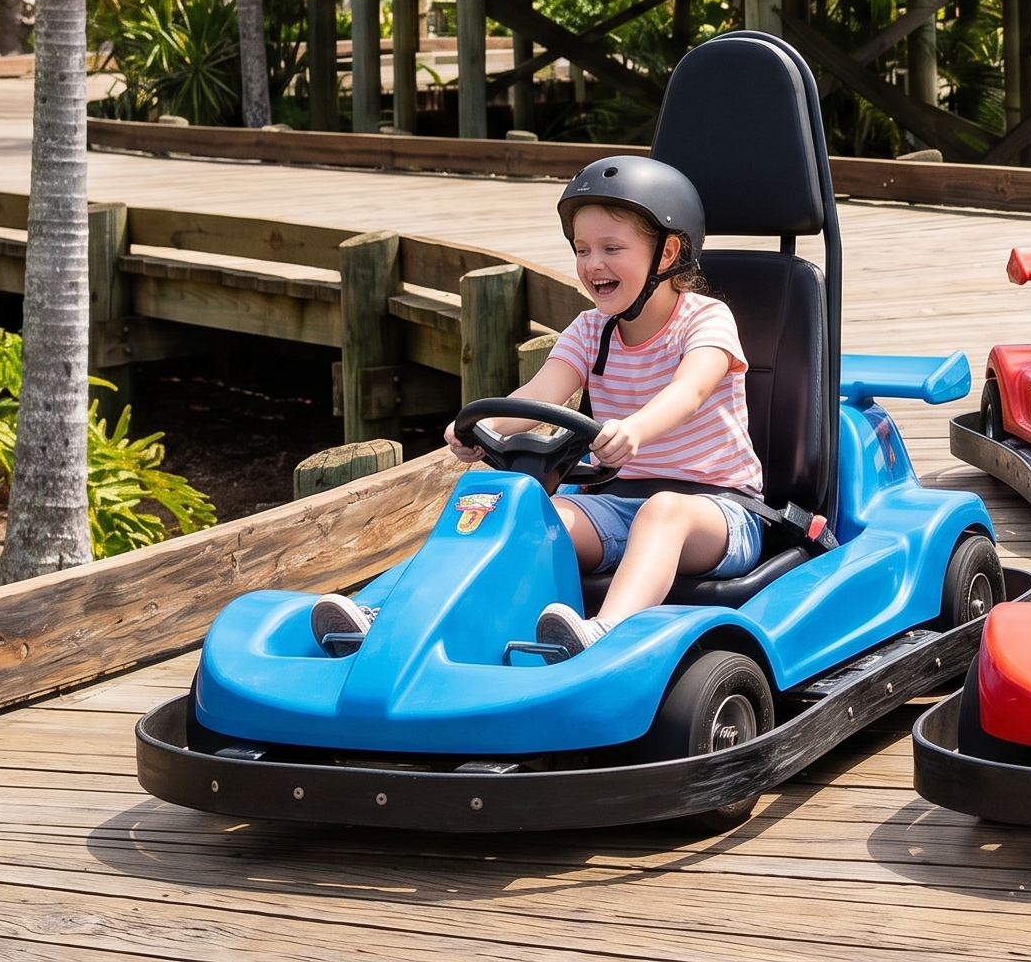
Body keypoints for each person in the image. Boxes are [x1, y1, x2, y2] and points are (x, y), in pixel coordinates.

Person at [309, 155, 764, 661]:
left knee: (662, 512)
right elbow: (542, 392)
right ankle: (391, 616)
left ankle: (605, 631)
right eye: (583, 249)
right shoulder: (591, 329)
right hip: (614, 504)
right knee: (524, 514)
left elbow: (690, 390)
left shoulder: (705, 320)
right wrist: (481, 426)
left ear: (666, 253)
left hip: (719, 512)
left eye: (612, 248)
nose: (594, 265)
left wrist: (635, 429)